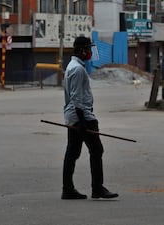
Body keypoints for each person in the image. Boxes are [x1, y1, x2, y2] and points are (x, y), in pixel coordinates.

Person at [61, 36, 119, 200]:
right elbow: (77, 98)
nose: (91, 53)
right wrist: (83, 122)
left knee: (72, 153)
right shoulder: (78, 69)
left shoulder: (72, 66)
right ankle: (97, 188)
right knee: (96, 150)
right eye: (89, 49)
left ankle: (67, 189)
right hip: (82, 116)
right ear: (81, 50)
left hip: (73, 116)